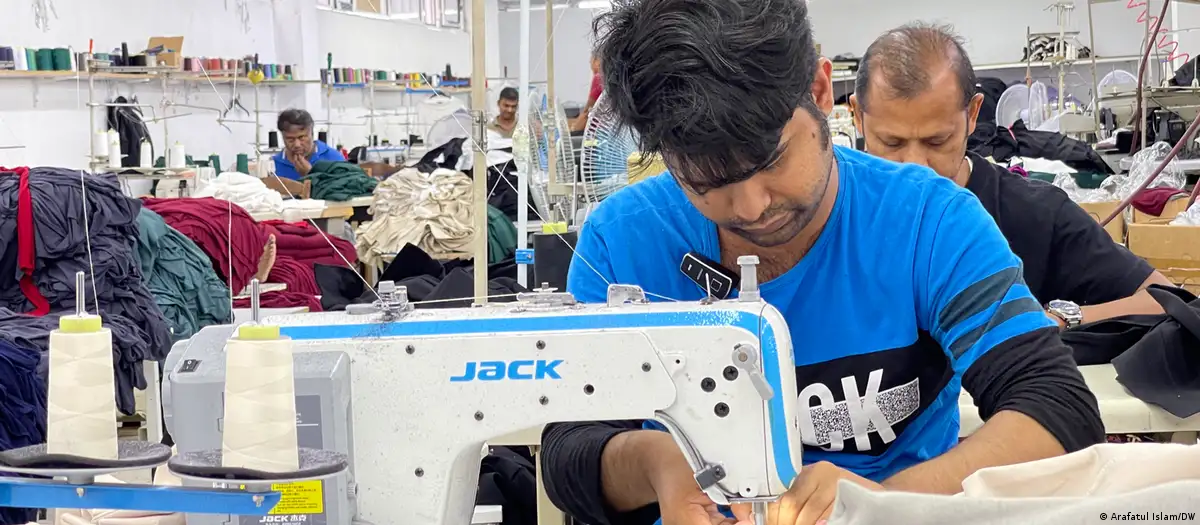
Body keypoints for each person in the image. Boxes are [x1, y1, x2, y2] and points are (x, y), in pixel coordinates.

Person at [539, 1, 1103, 524]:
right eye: (706, 182)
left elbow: (1056, 407)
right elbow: (568, 453)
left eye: (773, 159)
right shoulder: (623, 242)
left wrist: (885, 504)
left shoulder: (928, 221)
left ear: (821, 89)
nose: (752, 208)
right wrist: (655, 464)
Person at [847, 23, 1174, 329]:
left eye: (937, 141)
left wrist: (1053, 320)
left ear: (973, 114)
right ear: (857, 117)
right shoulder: (828, 214)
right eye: (892, 142)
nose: (916, 166)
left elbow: (1167, 300)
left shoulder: (1036, 214)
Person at [273, 108, 345, 181]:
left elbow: (346, 190)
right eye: (290, 139)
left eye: (302, 137)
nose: (297, 144)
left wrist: (310, 175)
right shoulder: (273, 165)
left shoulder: (334, 159)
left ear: (312, 134)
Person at [570, 53, 603, 132]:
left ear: (597, 61)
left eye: (590, 62)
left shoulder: (598, 78)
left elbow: (588, 110)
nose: (590, 66)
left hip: (596, 130)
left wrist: (573, 129)